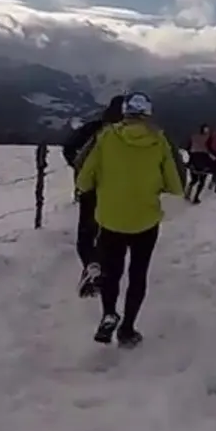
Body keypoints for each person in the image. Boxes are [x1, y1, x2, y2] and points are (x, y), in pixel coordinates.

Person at [73, 91, 186, 346]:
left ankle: (109, 314)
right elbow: (176, 187)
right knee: (138, 274)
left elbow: (83, 180)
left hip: (110, 218)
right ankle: (127, 329)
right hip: (145, 221)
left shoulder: (106, 137)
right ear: (148, 115)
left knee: (112, 272)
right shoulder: (160, 141)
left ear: (124, 113)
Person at [61, 95, 126, 297]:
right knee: (108, 233)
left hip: (90, 188)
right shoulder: (132, 135)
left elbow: (68, 147)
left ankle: (92, 266)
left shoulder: (94, 128)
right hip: (118, 192)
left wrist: (79, 168)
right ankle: (101, 270)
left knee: (86, 234)